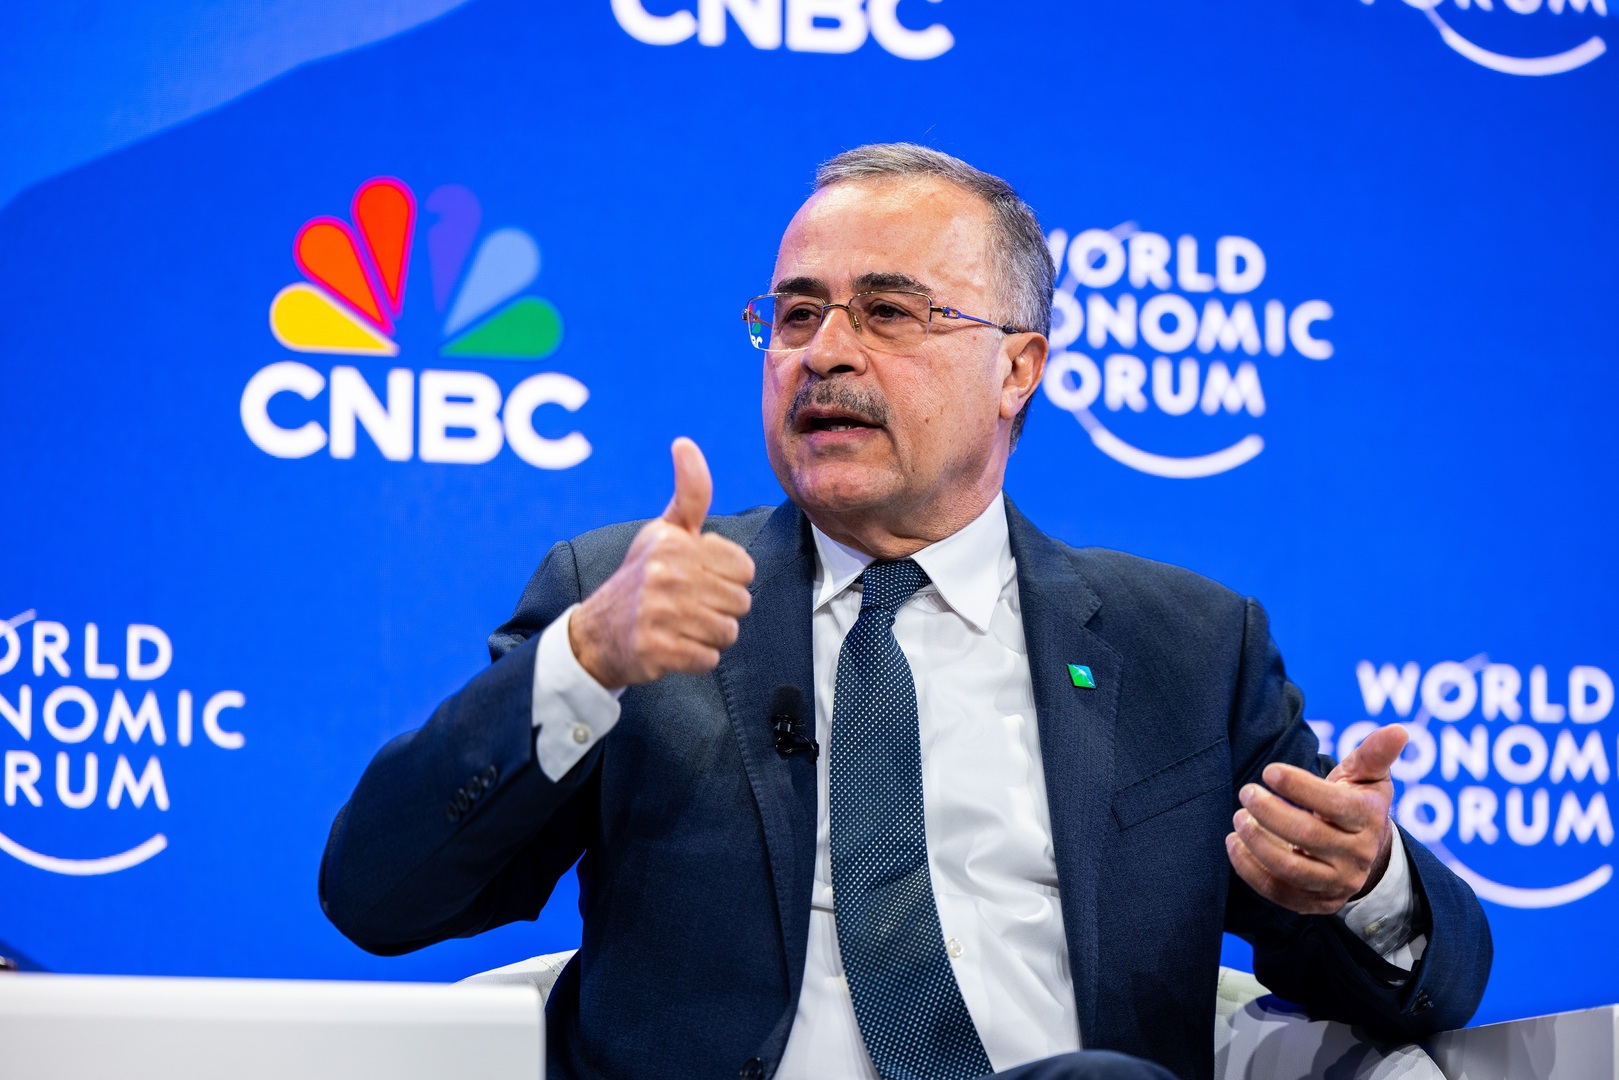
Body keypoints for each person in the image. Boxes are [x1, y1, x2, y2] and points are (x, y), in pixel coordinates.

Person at [319, 144, 1491, 1080]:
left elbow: (1421, 992)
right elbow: (378, 896)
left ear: (1017, 368)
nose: (824, 353)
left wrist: (1361, 880)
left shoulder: (1185, 649)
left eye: (887, 312)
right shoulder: (631, 600)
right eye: (795, 315)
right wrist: (580, 663)